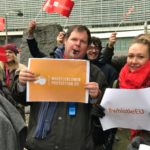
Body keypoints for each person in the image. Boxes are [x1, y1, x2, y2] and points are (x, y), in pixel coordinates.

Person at [12, 25, 108, 150]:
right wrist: (21, 84)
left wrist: (97, 98)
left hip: (77, 145)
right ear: (65, 40)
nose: (78, 44)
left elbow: (105, 111)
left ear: (87, 46)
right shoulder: (42, 65)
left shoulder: (95, 74)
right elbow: (21, 99)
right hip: (41, 144)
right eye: (74, 39)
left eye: (83, 41)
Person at [116, 34, 150, 149]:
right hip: (128, 140)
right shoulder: (121, 79)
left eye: (140, 57)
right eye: (130, 56)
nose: (134, 61)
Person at [86, 36, 118, 150]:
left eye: (96, 48)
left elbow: (113, 98)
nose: (93, 50)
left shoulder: (109, 70)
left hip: (100, 125)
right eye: (90, 47)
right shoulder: (77, 67)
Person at [0, 43, 27, 119]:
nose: (7, 54)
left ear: (15, 54)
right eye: (5, 52)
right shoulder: (0, 69)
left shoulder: (22, 70)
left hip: (17, 107)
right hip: (2, 106)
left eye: (10, 52)